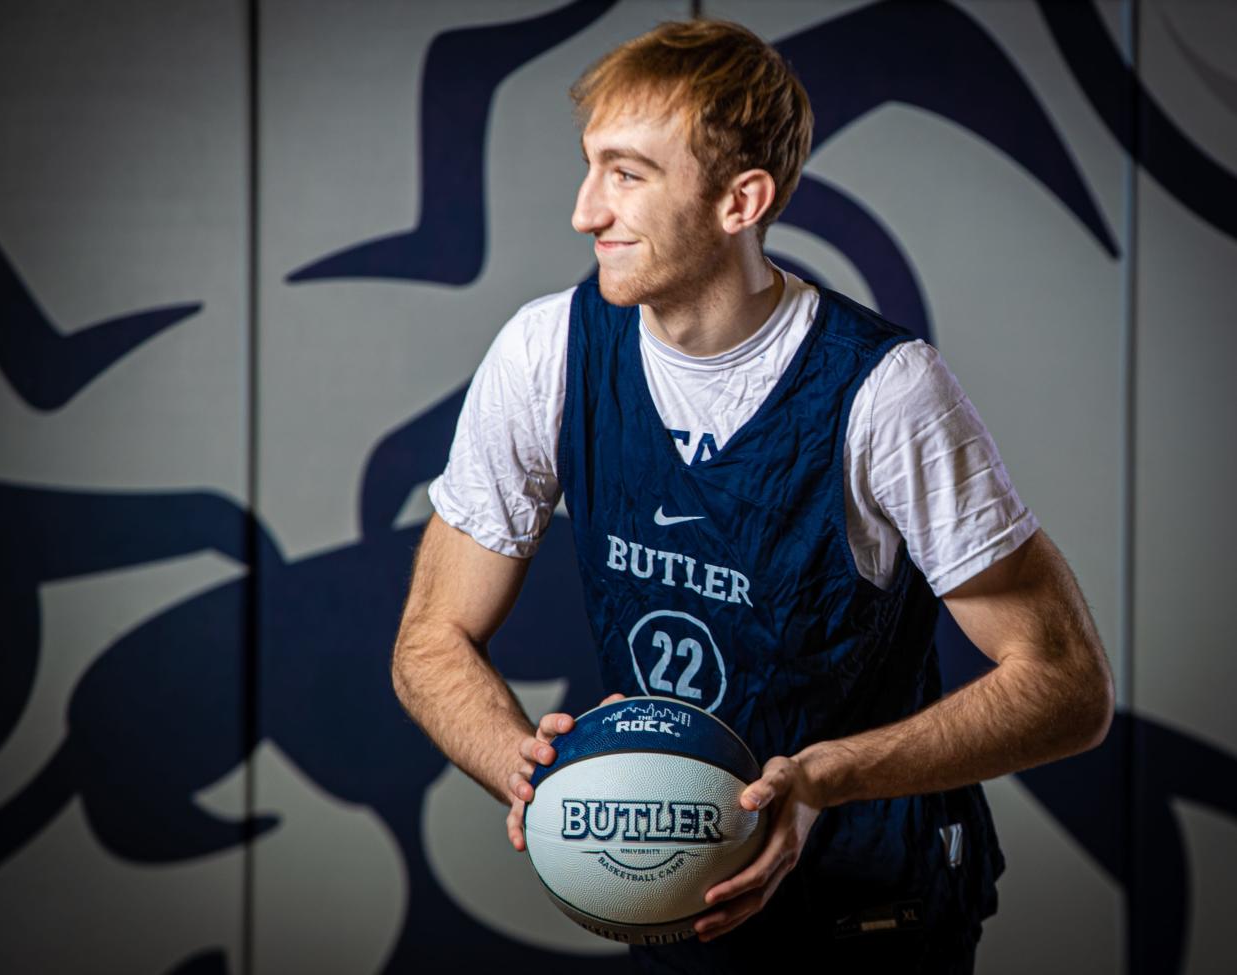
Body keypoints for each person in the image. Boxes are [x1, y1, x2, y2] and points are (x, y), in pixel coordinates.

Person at [389, 18, 1113, 974]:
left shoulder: (882, 391)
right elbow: (429, 639)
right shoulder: (549, 351)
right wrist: (525, 769)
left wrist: (823, 777)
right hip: (673, 900)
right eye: (590, 165)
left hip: (873, 916)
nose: (584, 211)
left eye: (627, 174)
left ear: (742, 199)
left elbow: (1067, 686)